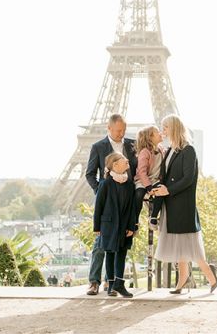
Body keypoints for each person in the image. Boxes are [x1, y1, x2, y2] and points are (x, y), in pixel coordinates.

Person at [151, 114, 217, 294]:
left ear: (173, 128)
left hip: (183, 206)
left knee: (191, 248)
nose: (162, 131)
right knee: (181, 248)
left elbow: (188, 179)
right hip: (171, 206)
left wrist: (168, 190)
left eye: (165, 128)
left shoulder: (188, 150)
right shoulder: (171, 150)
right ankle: (182, 281)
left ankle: (211, 278)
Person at [85, 114, 137, 296]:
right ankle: (94, 281)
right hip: (107, 202)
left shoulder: (132, 145)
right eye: (117, 130)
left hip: (126, 199)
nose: (121, 134)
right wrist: (101, 190)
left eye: (123, 130)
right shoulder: (98, 147)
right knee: (101, 244)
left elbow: (137, 168)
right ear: (109, 128)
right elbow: (90, 174)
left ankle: (112, 282)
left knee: (120, 244)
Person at [93, 152, 137, 298]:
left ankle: (119, 283)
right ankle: (111, 285)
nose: (127, 161)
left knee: (122, 254)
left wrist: (132, 226)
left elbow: (132, 208)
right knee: (110, 254)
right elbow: (98, 206)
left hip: (124, 225)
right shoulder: (105, 184)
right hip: (109, 225)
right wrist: (97, 227)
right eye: (124, 159)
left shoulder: (129, 184)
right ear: (115, 164)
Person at [133, 125, 164, 228]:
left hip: (155, 180)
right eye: (157, 132)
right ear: (150, 137)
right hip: (142, 180)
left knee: (161, 191)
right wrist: (148, 186)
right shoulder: (144, 152)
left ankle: (154, 216)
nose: (160, 133)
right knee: (139, 194)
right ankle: (135, 220)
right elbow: (142, 172)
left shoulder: (161, 150)